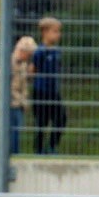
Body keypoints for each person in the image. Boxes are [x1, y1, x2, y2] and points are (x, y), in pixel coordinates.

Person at [0, 35, 35, 156]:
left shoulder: (23, 64)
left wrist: (24, 100)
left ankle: (14, 153)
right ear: (23, 51)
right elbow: (0, 83)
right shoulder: (7, 62)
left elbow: (23, 85)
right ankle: (9, 153)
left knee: (17, 129)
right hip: (8, 103)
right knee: (10, 130)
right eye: (29, 54)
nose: (29, 57)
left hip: (18, 103)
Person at [32, 16, 65, 155]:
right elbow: (33, 69)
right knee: (41, 122)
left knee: (61, 119)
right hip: (41, 91)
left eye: (59, 31)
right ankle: (39, 150)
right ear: (45, 32)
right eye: (55, 31)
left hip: (54, 91)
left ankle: (51, 146)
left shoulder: (56, 51)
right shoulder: (40, 51)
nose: (58, 34)